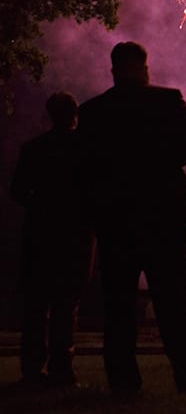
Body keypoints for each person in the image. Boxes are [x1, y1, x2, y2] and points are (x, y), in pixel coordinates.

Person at [76, 41, 186, 393]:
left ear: (114, 69)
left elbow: (83, 164)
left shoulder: (92, 111)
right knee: (172, 301)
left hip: (115, 216)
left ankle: (122, 380)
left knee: (118, 303)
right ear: (144, 66)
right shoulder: (167, 100)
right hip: (164, 212)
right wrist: (162, 162)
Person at [11, 92, 94, 387]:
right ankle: (62, 368)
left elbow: (18, 192)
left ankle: (32, 369)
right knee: (66, 304)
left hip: (40, 234)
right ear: (75, 114)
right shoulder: (85, 149)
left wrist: (41, 204)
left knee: (36, 305)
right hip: (75, 235)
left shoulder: (33, 149)